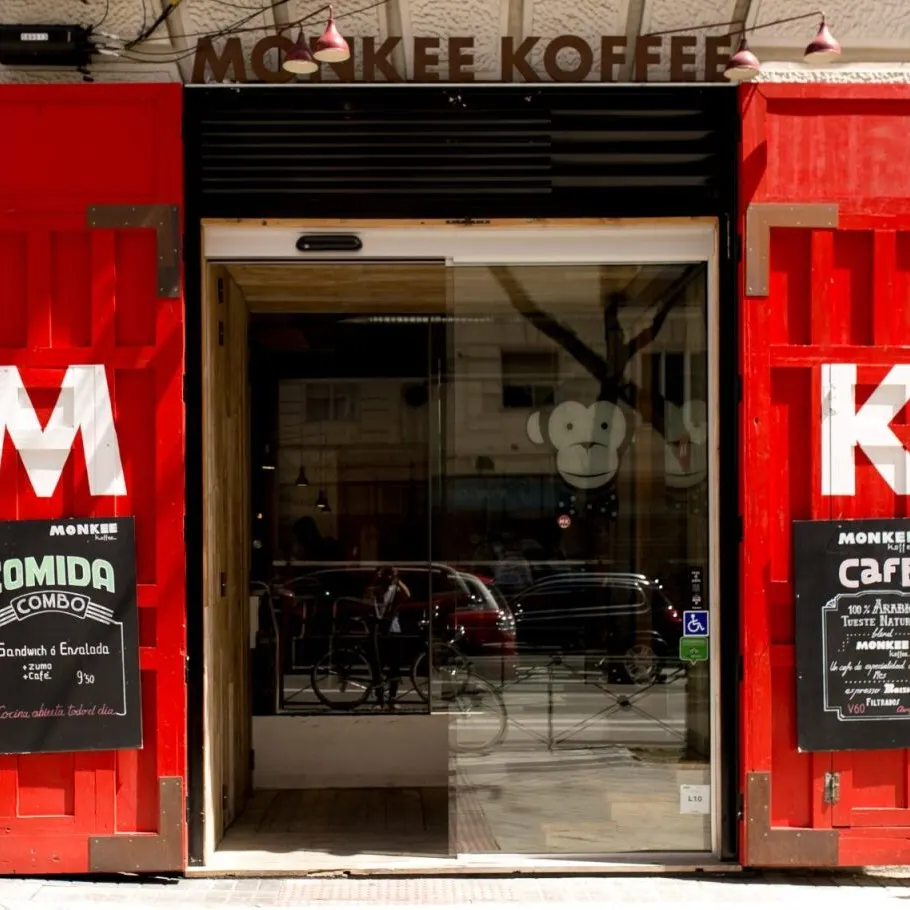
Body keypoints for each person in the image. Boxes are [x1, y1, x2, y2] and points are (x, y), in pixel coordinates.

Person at [370, 566, 411, 710]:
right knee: (377, 666)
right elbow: (367, 596)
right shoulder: (376, 590)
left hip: (393, 629)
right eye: (385, 575)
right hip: (379, 630)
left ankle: (392, 697)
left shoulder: (395, 590)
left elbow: (407, 594)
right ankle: (379, 698)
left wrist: (397, 580)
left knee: (394, 666)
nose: (387, 579)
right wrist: (376, 579)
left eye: (389, 576)